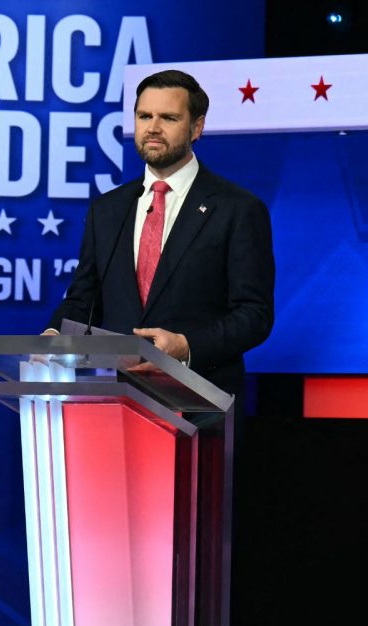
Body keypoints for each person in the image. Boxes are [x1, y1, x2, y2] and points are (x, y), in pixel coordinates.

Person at [46, 69, 275, 402]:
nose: (152, 127)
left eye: (168, 117)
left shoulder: (237, 209)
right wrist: (52, 336)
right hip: (114, 401)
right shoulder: (107, 210)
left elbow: (254, 314)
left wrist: (186, 346)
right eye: (144, 116)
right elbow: (85, 298)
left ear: (196, 128)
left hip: (199, 404)